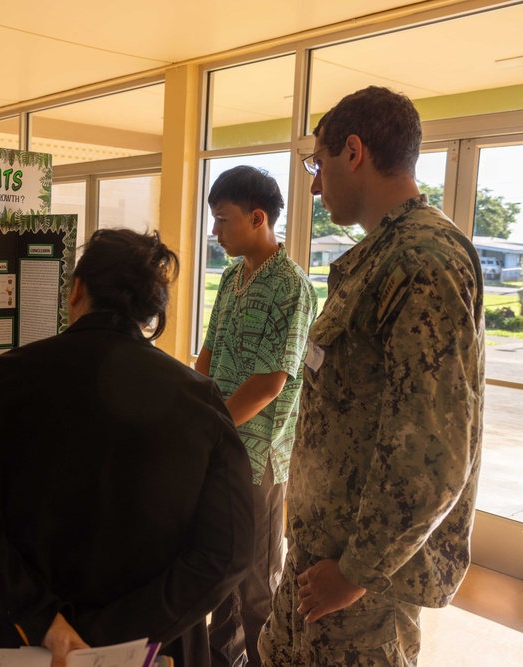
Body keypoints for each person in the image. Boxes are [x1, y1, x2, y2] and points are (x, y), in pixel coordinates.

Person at [0, 229, 255, 667]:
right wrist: (111, 637)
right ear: (150, 308)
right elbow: (228, 549)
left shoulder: (6, 377)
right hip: (149, 649)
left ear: (77, 288)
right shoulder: (199, 399)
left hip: (9, 636)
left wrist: (43, 619)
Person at [259, 86, 485, 666]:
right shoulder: (383, 256)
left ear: (353, 151)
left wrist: (356, 572)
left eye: (317, 162)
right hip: (321, 561)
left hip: (360, 591)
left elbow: (433, 454)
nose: (313, 184)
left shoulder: (421, 261)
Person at [195, 166, 317, 667]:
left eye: (224, 221)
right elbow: (208, 354)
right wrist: (189, 408)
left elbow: (270, 383)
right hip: (217, 447)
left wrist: (210, 427)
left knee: (257, 581)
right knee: (218, 567)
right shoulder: (230, 278)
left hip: (258, 459)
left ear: (258, 217)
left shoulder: (292, 288)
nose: (217, 233)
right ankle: (222, 659)